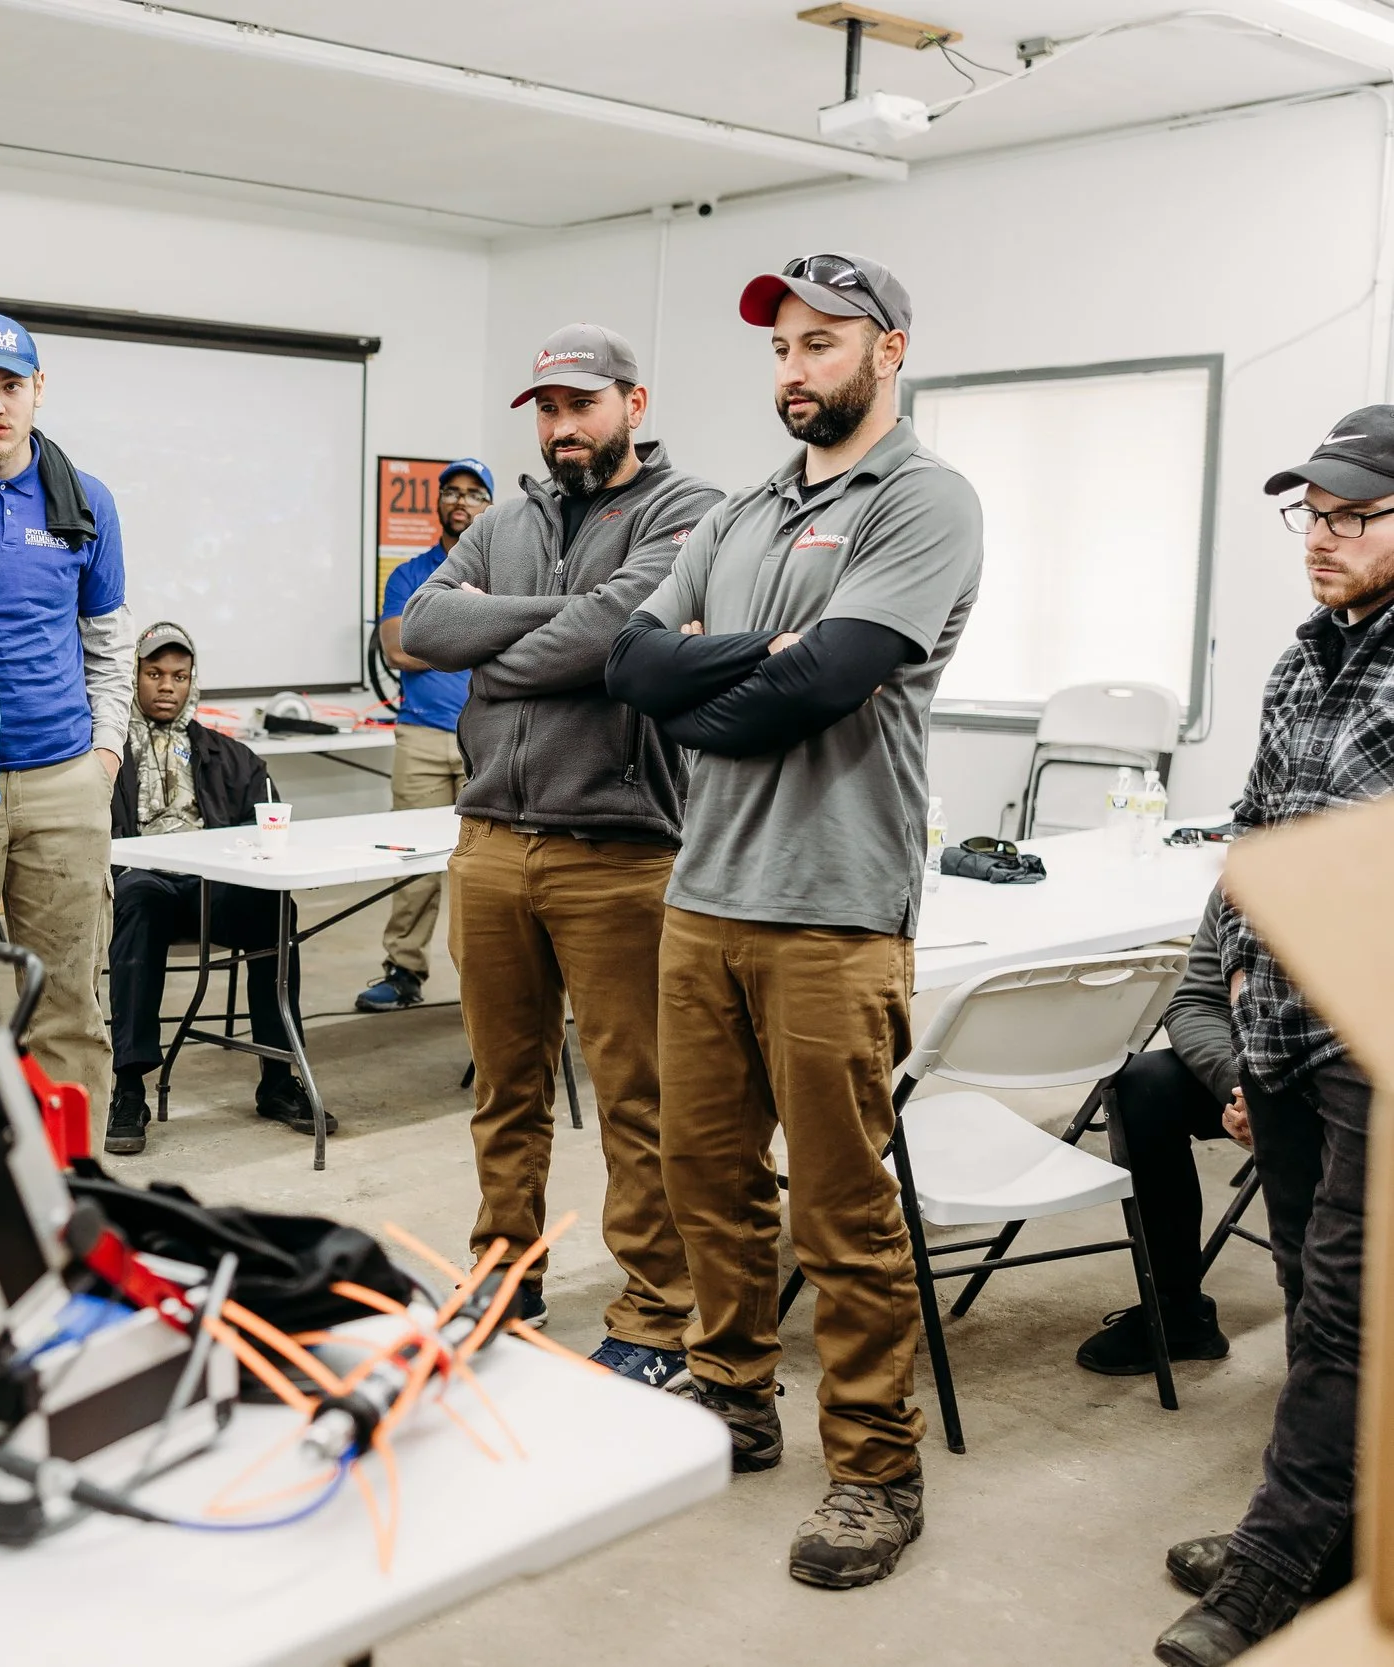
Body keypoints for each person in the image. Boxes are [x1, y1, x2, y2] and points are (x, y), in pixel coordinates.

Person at [606, 253, 983, 1590]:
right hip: (701, 899)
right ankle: (732, 1396)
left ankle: (876, 1466)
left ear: (887, 350)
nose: (792, 372)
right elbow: (634, 663)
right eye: (779, 351)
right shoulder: (744, 507)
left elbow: (823, 684)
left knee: (842, 1209)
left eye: (819, 346)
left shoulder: (925, 499)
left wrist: (738, 676)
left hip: (834, 909)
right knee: (706, 1184)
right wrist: (745, 665)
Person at [399, 325, 724, 1379]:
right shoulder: (504, 519)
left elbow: (623, 634)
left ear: (633, 402)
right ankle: (504, 1270)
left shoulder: (688, 512)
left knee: (640, 1095)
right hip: (491, 842)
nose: (561, 427)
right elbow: (418, 630)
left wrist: (500, 644)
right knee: (505, 1083)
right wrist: (567, 623)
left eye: (580, 405)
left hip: (618, 850)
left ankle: (655, 1309)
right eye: (545, 409)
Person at [1155, 408, 1394, 1666]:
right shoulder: (1303, 658)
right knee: (1314, 1299)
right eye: (1311, 512)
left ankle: (1265, 1569)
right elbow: (1256, 832)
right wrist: (1234, 997)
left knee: (1352, 1314)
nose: (1322, 536)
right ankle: (1332, 1533)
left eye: (1354, 514)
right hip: (1288, 1029)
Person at [0, 312, 133, 1115]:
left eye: (11, 385)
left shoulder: (85, 501)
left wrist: (103, 758)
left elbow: (110, 643)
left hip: (63, 779)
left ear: (38, 388)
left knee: (70, 995)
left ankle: (72, 1171)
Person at [104, 622, 322, 1153]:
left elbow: (269, 825)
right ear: (132, 677)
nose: (166, 686)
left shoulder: (230, 756)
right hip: (143, 894)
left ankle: (276, 1080)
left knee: (275, 906)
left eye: (179, 676)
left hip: (213, 893)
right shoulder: (104, 757)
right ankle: (130, 1087)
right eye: (153, 673)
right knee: (139, 896)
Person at [1068, 892, 1245, 1377]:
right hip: (1255, 1071)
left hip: (1353, 1078)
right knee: (1143, 1084)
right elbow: (1195, 1002)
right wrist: (1239, 1084)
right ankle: (1178, 1311)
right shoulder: (1247, 878)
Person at [355, 458, 489, 1014]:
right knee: (411, 863)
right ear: (437, 502)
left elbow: (515, 639)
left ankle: (487, 980)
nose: (461, 502)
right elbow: (395, 648)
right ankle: (404, 970)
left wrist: (438, 640)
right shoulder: (409, 575)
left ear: (488, 507)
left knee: (484, 869)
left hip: (487, 739)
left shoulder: (499, 572)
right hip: (422, 742)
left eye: (474, 494)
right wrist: (475, 637)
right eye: (451, 492)